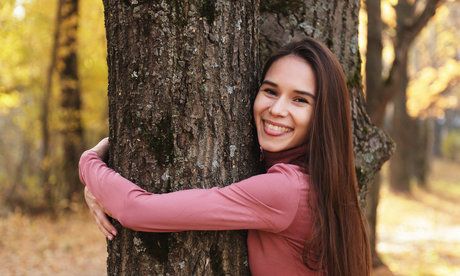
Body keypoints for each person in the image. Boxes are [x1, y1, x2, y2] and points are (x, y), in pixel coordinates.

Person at [79, 37, 371, 276]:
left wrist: (90, 163)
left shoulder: (287, 191)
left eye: (300, 100)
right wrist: (99, 188)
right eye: (270, 91)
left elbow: (137, 210)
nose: (278, 109)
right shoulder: (320, 182)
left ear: (323, 115)